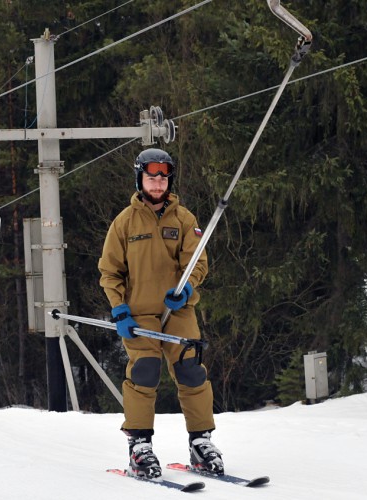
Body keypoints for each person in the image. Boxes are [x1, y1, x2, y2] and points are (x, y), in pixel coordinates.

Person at [98, 148, 224, 479]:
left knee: (191, 371)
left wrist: (187, 289)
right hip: (139, 313)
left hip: (177, 309)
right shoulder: (124, 222)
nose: (157, 184)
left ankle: (201, 442)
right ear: (140, 179)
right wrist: (119, 309)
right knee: (145, 371)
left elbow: (197, 263)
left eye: (163, 178)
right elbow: (110, 272)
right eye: (151, 177)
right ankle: (139, 446)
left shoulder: (184, 220)